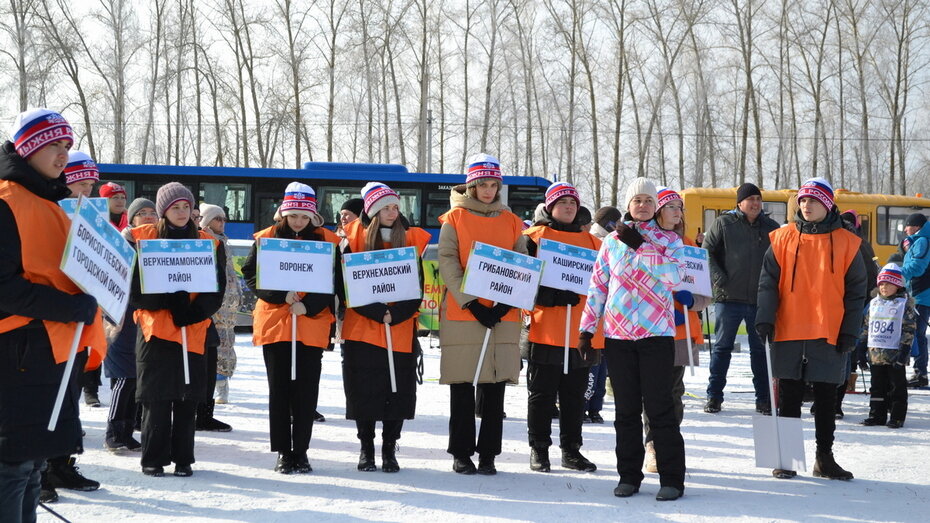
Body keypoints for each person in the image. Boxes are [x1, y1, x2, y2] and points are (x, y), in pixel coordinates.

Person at [0, 108, 103, 520]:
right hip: (19, 350)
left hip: (55, 348)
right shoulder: (7, 201)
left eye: (66, 146)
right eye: (52, 145)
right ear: (28, 148)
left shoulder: (55, 201)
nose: (63, 155)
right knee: (15, 463)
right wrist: (70, 305)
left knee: (36, 461)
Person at [579, 177, 687, 501]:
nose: (642, 205)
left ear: (656, 207)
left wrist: (640, 245)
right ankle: (628, 476)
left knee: (659, 408)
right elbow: (598, 287)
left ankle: (672, 479)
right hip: (618, 336)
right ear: (628, 205)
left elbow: (675, 276)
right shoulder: (611, 242)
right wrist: (587, 329)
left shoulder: (669, 240)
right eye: (636, 200)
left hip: (656, 335)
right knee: (625, 411)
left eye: (648, 201)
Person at [756, 177, 866, 480]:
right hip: (788, 327)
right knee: (789, 393)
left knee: (827, 396)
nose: (806, 205)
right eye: (803, 200)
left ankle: (824, 458)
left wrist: (850, 330)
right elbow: (767, 283)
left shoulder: (847, 241)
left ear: (827, 204)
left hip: (829, 329)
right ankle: (787, 457)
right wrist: (764, 318)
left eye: (813, 200)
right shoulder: (781, 238)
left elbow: (857, 291)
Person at [241, 182, 340, 474]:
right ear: (283, 214)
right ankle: (284, 451)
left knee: (306, 392)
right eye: (294, 215)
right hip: (275, 325)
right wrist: (279, 295)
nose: (299, 221)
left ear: (313, 217)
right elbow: (251, 275)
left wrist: (308, 307)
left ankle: (302, 450)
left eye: (304, 216)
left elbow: (335, 280)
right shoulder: (266, 238)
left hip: (311, 324)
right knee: (280, 391)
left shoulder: (327, 242)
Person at [128, 182, 225, 477]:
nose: (182, 213)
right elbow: (134, 290)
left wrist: (192, 313)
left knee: (187, 397)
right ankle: (153, 458)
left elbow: (216, 289)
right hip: (154, 330)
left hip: (192, 330)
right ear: (163, 211)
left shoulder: (209, 242)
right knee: (155, 398)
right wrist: (169, 300)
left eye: (186, 206)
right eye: (175, 208)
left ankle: (183, 458)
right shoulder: (143, 239)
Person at [438, 153, 526, 476]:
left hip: (502, 317)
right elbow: (448, 262)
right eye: (482, 184)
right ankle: (461, 452)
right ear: (472, 185)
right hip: (464, 316)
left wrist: (506, 303)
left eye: (493, 184)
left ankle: (488, 453)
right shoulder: (455, 219)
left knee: (494, 387)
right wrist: (471, 302)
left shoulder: (512, 220)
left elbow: (521, 261)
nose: (488, 190)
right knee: (462, 386)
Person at [341, 183, 431, 473]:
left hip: (400, 328)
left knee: (397, 393)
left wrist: (397, 313)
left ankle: (390, 449)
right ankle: (366, 449)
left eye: (396, 206)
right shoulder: (350, 241)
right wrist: (378, 312)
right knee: (364, 393)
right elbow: (344, 286)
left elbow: (417, 286)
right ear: (373, 210)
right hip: (362, 330)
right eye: (387, 207)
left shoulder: (409, 240)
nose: (393, 212)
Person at [522, 182, 602, 473]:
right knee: (541, 395)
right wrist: (552, 296)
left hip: (583, 333)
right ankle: (539, 449)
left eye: (573, 202)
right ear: (550, 206)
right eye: (562, 202)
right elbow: (520, 283)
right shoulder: (534, 237)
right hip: (546, 330)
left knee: (574, 397)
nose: (569, 206)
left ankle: (571, 450)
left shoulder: (594, 243)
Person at [643, 188, 710, 474]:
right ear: (657, 211)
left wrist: (690, 300)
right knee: (652, 391)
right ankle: (652, 445)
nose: (676, 212)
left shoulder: (690, 247)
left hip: (680, 332)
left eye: (679, 208)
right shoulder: (645, 243)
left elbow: (706, 295)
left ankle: (669, 444)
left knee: (673, 390)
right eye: (670, 207)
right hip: (649, 327)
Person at [702, 182, 779, 414]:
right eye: (750, 199)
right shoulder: (723, 224)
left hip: (760, 301)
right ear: (739, 203)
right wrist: (718, 277)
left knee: (760, 352)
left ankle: (763, 399)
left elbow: (780, 260)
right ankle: (714, 396)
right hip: (728, 298)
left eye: (758, 199)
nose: (755, 203)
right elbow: (706, 252)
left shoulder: (771, 227)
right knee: (722, 349)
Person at [104, 199, 157, 454]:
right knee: (123, 377)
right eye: (142, 213)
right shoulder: (121, 245)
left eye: (152, 213)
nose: (148, 217)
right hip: (122, 319)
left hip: (147, 320)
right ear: (132, 218)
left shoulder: (159, 245)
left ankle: (127, 431)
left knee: (137, 377)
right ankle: (113, 431)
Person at [859, 263, 916, 428]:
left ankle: (897, 416)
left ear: (897, 286)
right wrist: (862, 349)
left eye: (889, 284)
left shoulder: (903, 305)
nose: (884, 287)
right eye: (882, 284)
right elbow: (867, 327)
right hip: (876, 354)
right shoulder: (874, 304)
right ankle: (877, 415)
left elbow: (908, 330)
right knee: (877, 387)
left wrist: (904, 352)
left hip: (895, 354)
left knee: (896, 387)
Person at [198, 203, 241, 416]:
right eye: (217, 219)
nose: (222, 223)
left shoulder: (224, 242)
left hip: (228, 306)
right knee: (214, 346)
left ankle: (222, 384)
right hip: (212, 306)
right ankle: (213, 388)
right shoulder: (203, 241)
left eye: (223, 219)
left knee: (226, 343)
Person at [584, 206, 622, 424]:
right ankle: (588, 405)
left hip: (609, 315)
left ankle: (594, 406)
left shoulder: (613, 240)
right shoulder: (596, 242)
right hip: (596, 313)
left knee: (601, 365)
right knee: (593, 365)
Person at [899, 212, 930, 388]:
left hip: (921, 294)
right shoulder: (918, 241)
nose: (905, 229)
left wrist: (897, 274)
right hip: (917, 292)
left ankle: (921, 373)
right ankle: (920, 372)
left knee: (917, 334)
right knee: (916, 333)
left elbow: (918, 267)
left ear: (917, 227)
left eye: (908, 225)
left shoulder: (922, 241)